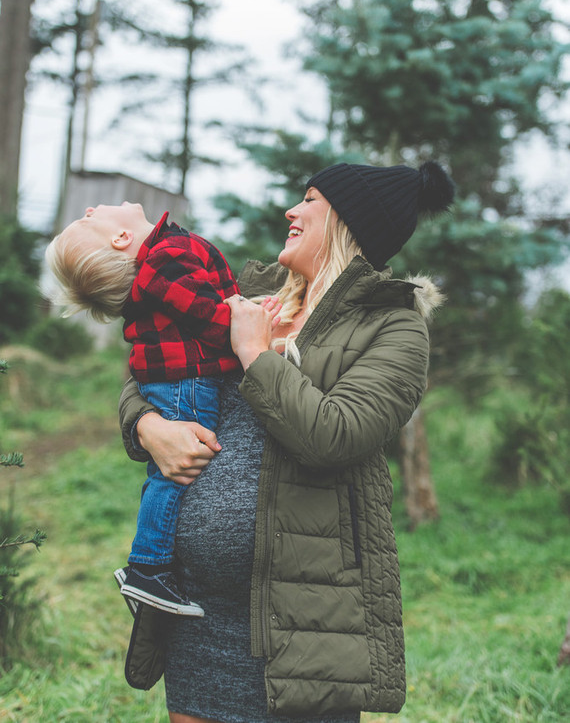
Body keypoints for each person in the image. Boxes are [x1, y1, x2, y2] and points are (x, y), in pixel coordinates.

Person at [118, 161, 455, 723]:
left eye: (310, 200)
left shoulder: (393, 328)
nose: (290, 212)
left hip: (305, 618)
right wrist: (147, 428)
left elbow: (335, 434)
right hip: (197, 612)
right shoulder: (245, 295)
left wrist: (254, 355)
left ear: (347, 222)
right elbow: (149, 365)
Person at [46, 203, 279, 617]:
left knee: (169, 471)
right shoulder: (164, 259)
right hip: (186, 382)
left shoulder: (163, 254)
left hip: (177, 379)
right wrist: (253, 319)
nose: (88, 207)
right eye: (87, 219)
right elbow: (211, 319)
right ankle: (148, 568)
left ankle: (148, 565)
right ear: (120, 238)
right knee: (176, 470)